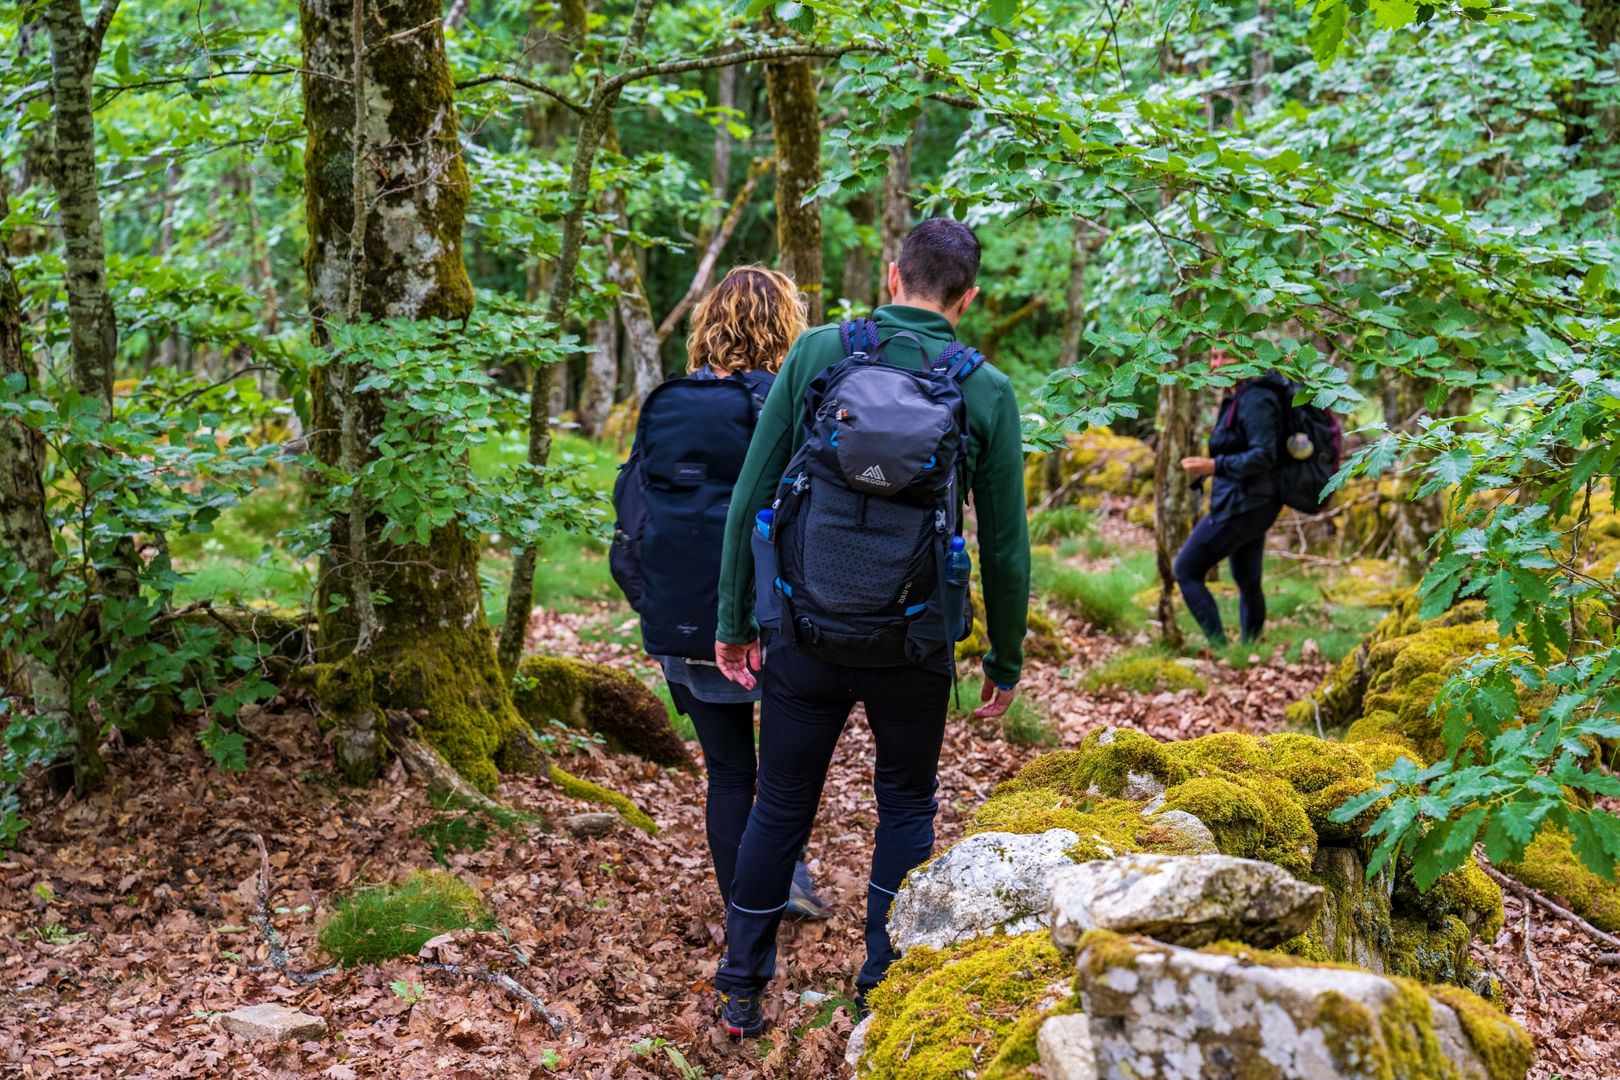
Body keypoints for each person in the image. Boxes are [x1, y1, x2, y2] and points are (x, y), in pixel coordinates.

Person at [708, 219, 1031, 1037]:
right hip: (915, 642)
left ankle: (742, 989)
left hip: (805, 633)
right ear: (968, 299)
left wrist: (735, 620)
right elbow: (1006, 541)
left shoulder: (819, 353)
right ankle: (879, 985)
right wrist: (1005, 655)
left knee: (779, 802)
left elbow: (751, 495)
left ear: (892, 277)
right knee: (906, 805)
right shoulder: (984, 388)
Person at [616, 266, 829, 918]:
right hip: (781, 619)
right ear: (785, 326)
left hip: (687, 615)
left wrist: (651, 601)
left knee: (731, 772)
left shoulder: (671, 405)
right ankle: (781, 880)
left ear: (710, 322)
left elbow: (632, 514)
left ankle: (749, 907)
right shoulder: (797, 404)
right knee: (787, 776)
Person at [1174, 349, 1290, 645]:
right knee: (1248, 579)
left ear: (1248, 359)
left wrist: (1212, 466)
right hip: (1250, 501)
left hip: (1244, 504)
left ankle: (1219, 648)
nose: (1217, 364)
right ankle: (1248, 652)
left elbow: (1264, 455)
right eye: (1213, 357)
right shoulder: (1242, 395)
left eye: (1226, 357)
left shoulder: (1255, 399)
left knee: (1186, 569)